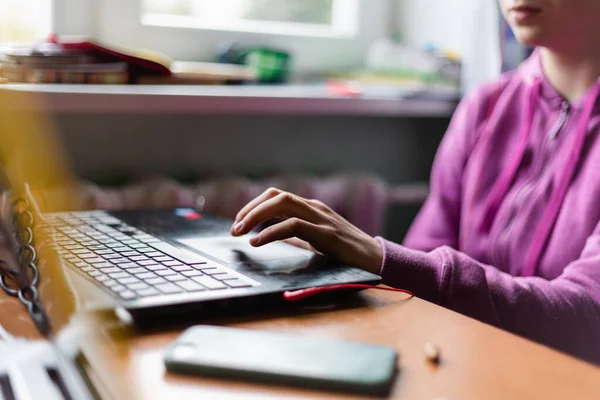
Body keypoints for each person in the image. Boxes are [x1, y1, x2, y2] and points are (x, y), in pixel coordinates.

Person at [231, 0, 600, 365]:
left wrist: (381, 257)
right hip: (466, 366)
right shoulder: (486, 106)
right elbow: (424, 260)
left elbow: (587, 317)